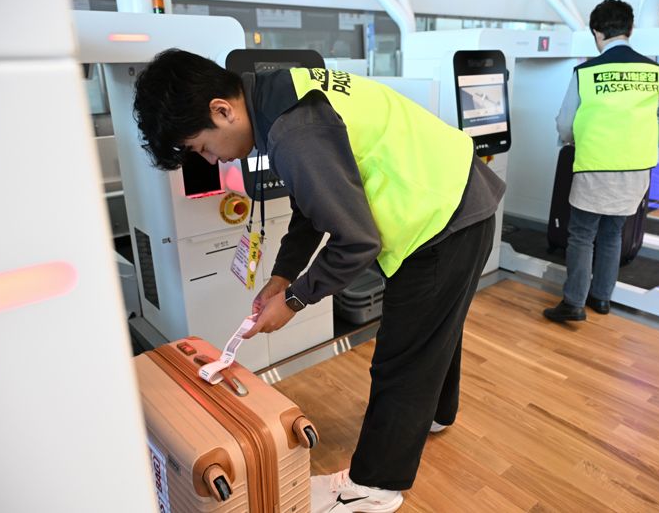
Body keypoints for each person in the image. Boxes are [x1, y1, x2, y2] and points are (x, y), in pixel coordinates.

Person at [133, 49, 505, 512]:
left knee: (400, 358)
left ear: (221, 110)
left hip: (442, 219)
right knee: (433, 330)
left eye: (203, 147)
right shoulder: (279, 95)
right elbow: (313, 206)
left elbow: (356, 242)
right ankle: (434, 414)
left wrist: (293, 300)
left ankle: (373, 487)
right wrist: (282, 275)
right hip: (457, 193)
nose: (211, 158)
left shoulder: (293, 132)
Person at [544, 0, 659, 323]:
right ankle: (601, 299)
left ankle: (573, 302)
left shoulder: (587, 72)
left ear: (597, 33)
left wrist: (569, 140)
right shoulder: (655, 72)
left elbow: (564, 123)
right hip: (637, 168)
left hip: (596, 165)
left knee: (582, 234)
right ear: (630, 29)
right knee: (614, 233)